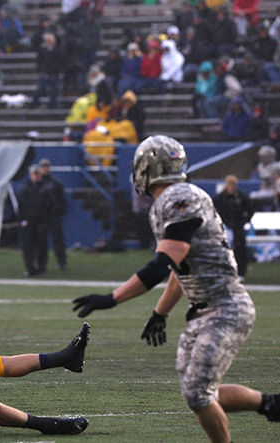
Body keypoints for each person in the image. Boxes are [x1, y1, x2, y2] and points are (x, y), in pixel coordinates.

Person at [72, 135, 280, 443]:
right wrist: (160, 312)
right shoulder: (168, 201)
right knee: (199, 393)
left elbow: (162, 264)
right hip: (204, 310)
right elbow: (179, 268)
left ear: (148, 169)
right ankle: (270, 404)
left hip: (226, 307)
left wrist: (111, 299)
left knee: (198, 393)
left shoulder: (179, 198)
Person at [213, 175, 253, 279]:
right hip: (224, 227)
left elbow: (250, 209)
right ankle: (223, 270)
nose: (231, 187)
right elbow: (214, 211)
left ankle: (240, 272)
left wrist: (244, 221)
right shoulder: (220, 198)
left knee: (240, 249)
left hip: (238, 227)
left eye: (233, 184)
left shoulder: (241, 197)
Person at [18, 164, 48, 276]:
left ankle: (41, 268)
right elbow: (21, 206)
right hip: (29, 223)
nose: (36, 176)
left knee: (41, 247)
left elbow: (49, 205)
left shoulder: (45, 188)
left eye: (38, 174)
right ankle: (30, 268)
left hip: (41, 222)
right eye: (34, 174)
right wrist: (23, 220)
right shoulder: (25, 188)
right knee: (28, 247)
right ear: (31, 175)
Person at [39, 158, 67, 271]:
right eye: (43, 167)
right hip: (42, 217)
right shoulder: (38, 183)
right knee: (41, 242)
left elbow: (62, 199)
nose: (45, 168)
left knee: (58, 240)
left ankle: (62, 263)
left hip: (54, 216)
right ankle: (42, 264)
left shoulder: (55, 183)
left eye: (47, 166)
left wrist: (59, 210)